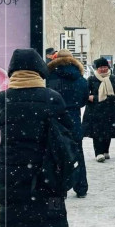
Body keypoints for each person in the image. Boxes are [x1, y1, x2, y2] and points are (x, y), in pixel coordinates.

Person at [0, 48, 71, 227]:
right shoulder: (52, 98)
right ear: (40, 70)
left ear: (12, 71)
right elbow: (67, 131)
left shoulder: (1, 100)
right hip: (47, 173)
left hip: (12, 176)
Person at [46, 49, 89, 198]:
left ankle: (60, 188)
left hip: (54, 120)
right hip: (74, 119)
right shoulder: (81, 79)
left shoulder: (48, 77)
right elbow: (84, 101)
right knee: (77, 153)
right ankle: (81, 187)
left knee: (56, 155)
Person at [82, 57, 115, 162]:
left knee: (107, 130)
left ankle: (105, 151)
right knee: (97, 132)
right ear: (97, 69)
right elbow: (84, 93)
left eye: (105, 67)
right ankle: (98, 153)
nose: (103, 69)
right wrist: (89, 97)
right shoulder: (91, 79)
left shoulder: (113, 78)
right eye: (101, 67)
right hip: (95, 109)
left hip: (110, 108)